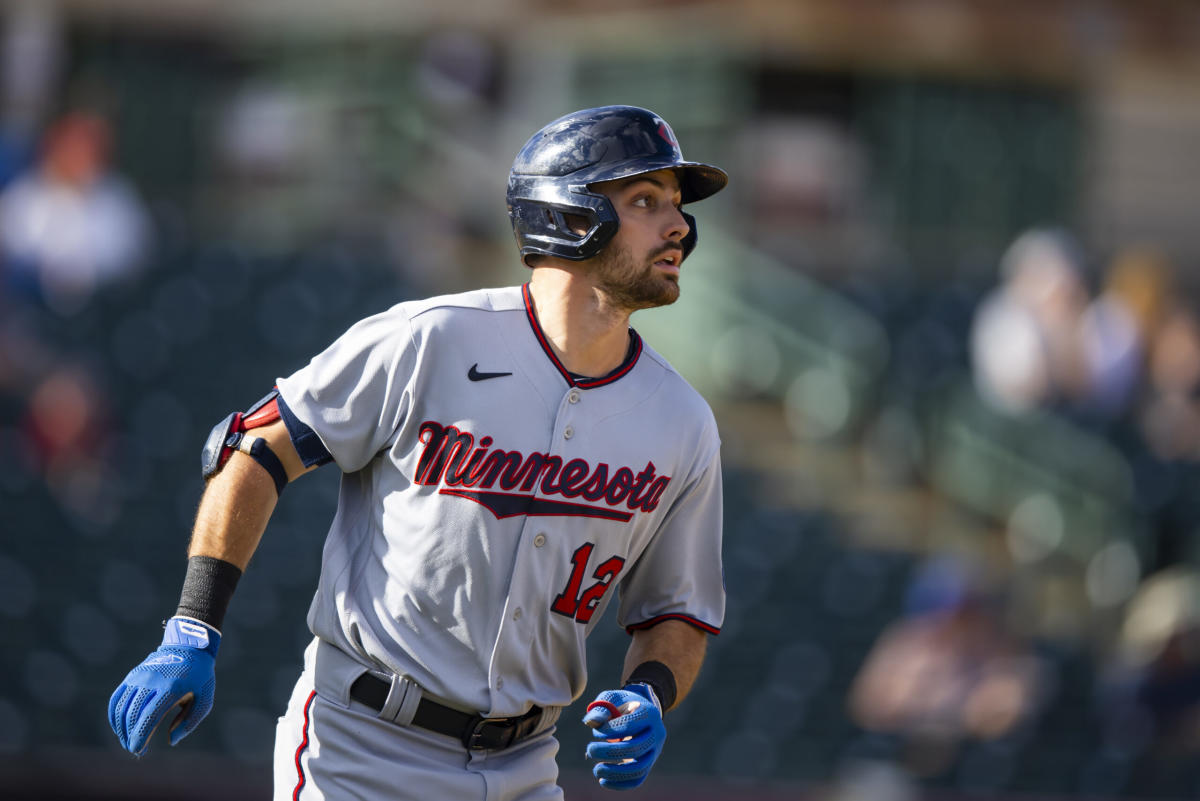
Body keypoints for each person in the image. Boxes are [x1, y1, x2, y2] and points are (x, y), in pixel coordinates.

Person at [108, 105, 728, 799]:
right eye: (647, 200)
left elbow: (677, 611)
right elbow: (256, 447)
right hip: (359, 750)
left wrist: (649, 690)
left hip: (526, 766)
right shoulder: (430, 340)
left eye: (677, 205)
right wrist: (192, 629)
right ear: (569, 213)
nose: (681, 226)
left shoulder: (683, 421)